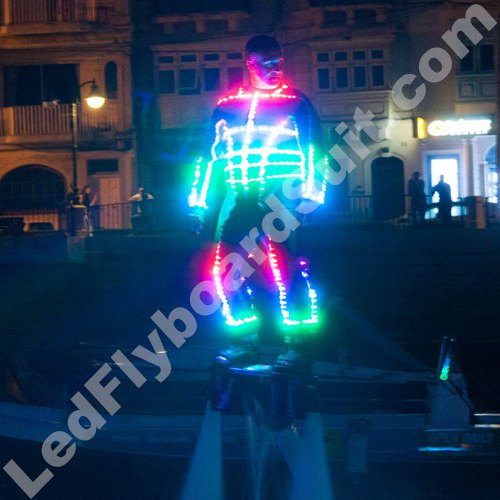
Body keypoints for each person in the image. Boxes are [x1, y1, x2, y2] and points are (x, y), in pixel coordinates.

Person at [188, 35, 329, 371]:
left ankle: (296, 344)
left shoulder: (296, 103)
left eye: (279, 64)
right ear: (250, 63)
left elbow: (315, 151)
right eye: (267, 64)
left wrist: (310, 196)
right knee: (225, 268)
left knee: (286, 267)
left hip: (282, 194)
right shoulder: (226, 107)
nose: (275, 70)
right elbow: (209, 158)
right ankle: (245, 339)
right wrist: (198, 202)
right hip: (238, 195)